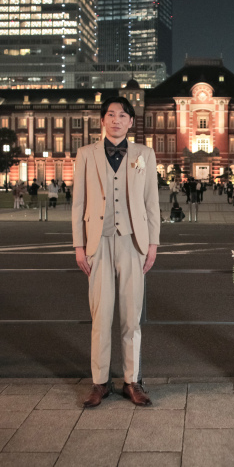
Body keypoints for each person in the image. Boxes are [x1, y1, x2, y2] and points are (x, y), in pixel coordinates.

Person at [72, 96, 160, 409]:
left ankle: (131, 381)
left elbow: (152, 202)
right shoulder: (86, 154)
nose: (116, 120)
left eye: (122, 115)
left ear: (131, 121)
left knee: (131, 317)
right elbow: (78, 202)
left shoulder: (144, 154)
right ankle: (99, 382)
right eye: (111, 114)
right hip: (97, 242)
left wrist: (152, 244)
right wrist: (79, 246)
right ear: (103, 120)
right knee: (100, 315)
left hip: (134, 241)